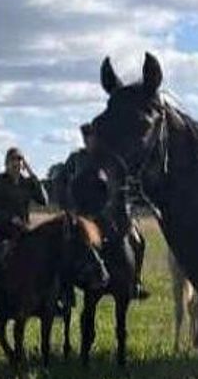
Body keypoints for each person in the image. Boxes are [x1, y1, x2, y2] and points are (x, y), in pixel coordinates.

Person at [57, 122, 148, 299]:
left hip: (109, 214)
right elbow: (60, 182)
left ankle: (135, 281)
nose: (90, 141)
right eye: (87, 138)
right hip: (82, 215)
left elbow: (121, 185)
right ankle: (64, 290)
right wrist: (70, 209)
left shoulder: (112, 159)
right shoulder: (76, 159)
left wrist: (118, 209)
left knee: (138, 241)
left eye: (93, 138)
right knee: (63, 245)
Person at [0, 146, 48, 307]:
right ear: (6, 163)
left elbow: (44, 200)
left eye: (19, 160)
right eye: (13, 160)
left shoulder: (27, 183)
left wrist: (32, 174)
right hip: (0, 231)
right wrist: (9, 218)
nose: (16, 163)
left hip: (24, 232)